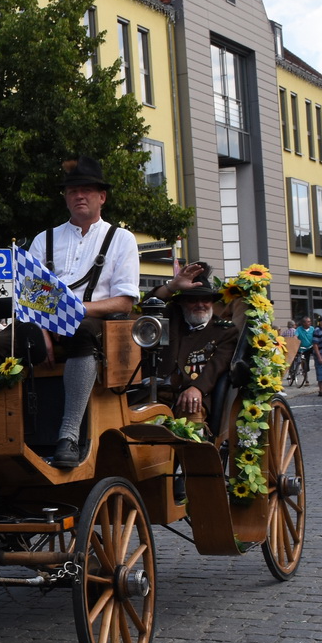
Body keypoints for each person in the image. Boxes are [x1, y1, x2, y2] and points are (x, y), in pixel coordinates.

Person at [26, 156, 139, 468]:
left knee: (81, 330)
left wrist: (75, 310)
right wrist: (42, 332)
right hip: (45, 323)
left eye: (86, 190)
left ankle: (69, 434)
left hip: (97, 326)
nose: (79, 196)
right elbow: (30, 297)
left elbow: (124, 302)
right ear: (65, 198)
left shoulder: (122, 239)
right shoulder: (43, 239)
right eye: (72, 191)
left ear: (101, 197)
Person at [158, 264, 239, 422]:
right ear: (181, 303)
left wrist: (197, 388)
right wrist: (172, 286)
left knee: (191, 412)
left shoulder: (224, 331)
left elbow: (217, 365)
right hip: (157, 393)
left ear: (212, 303)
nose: (200, 304)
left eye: (205, 300)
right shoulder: (170, 319)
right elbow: (148, 306)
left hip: (194, 395)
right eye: (193, 300)